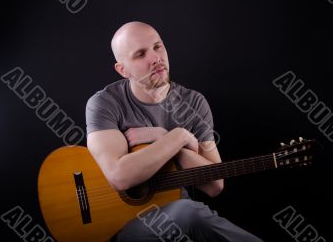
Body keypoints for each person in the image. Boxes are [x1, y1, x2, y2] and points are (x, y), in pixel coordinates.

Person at [85, 21, 263, 241]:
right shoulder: (105, 103)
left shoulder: (194, 103)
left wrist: (167, 137)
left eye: (158, 47)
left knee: (186, 212)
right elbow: (120, 178)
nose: (156, 58)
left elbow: (215, 184)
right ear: (123, 69)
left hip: (177, 215)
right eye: (140, 54)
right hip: (121, 226)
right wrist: (180, 137)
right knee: (188, 211)